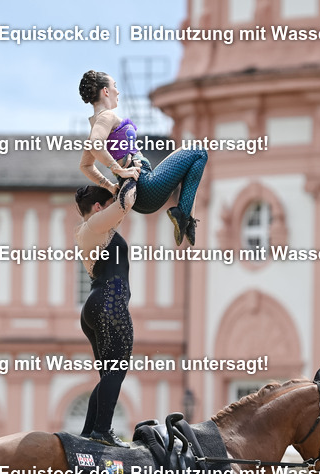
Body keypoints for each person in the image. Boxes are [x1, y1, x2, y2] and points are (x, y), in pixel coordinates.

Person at [78, 69, 208, 246]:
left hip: (139, 195)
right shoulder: (106, 116)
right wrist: (119, 170)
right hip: (146, 185)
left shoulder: (96, 124)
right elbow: (95, 145)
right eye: (114, 86)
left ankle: (186, 217)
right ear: (105, 91)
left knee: (188, 156)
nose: (118, 91)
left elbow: (85, 166)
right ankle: (183, 215)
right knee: (200, 153)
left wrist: (110, 185)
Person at [74, 182, 138, 446]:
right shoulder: (96, 225)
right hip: (110, 304)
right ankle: (102, 431)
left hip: (94, 306)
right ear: (99, 208)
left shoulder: (89, 230)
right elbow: (126, 201)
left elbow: (121, 206)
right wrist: (132, 172)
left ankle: (91, 432)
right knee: (117, 370)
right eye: (107, 207)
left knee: (108, 374)